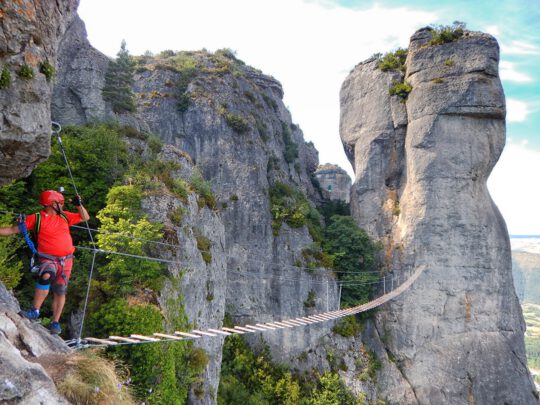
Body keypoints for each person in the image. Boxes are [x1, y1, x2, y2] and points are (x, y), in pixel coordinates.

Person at [0, 190, 89, 335]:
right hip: (48, 258)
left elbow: (85, 217)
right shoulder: (36, 218)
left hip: (66, 260)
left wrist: (79, 205)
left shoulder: (65, 216)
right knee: (46, 275)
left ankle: (55, 322)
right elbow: (11, 230)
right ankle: (35, 310)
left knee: (60, 289)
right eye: (60, 203)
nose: (62, 205)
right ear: (52, 204)